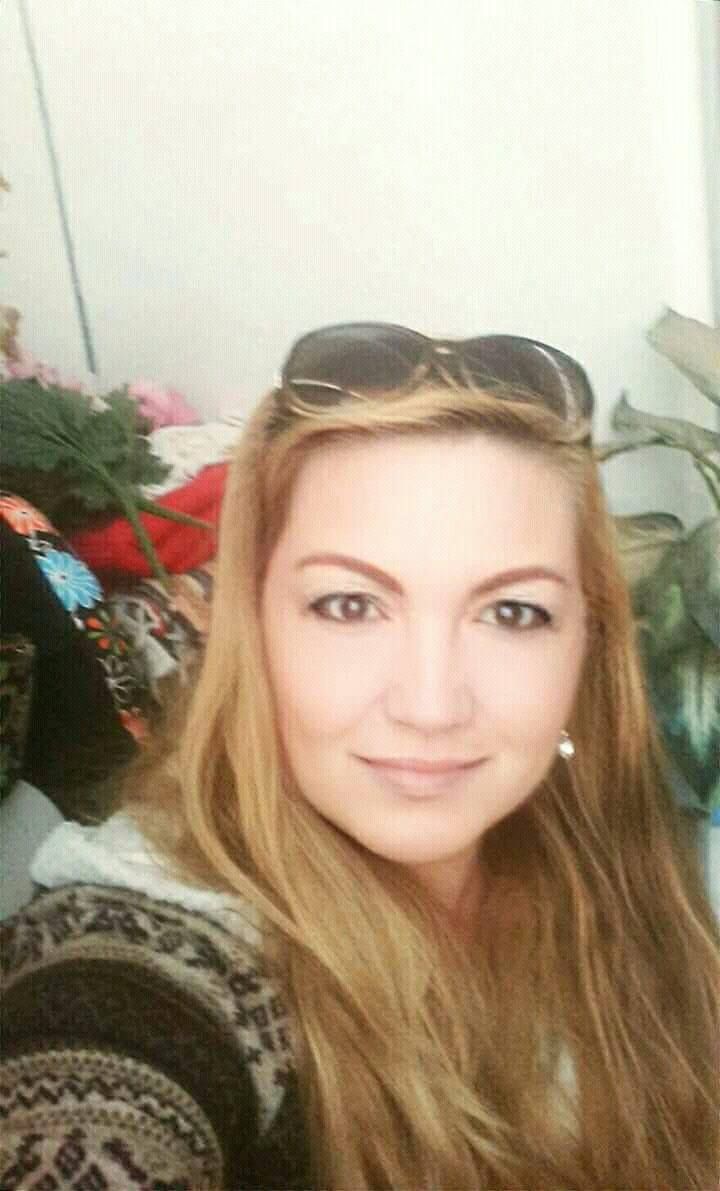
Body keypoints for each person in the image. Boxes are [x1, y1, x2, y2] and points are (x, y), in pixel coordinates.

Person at [2, 323, 719, 1190]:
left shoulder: (618, 876)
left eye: (512, 612)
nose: (430, 705)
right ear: (251, 628)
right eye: (349, 604)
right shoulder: (147, 961)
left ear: (586, 644)